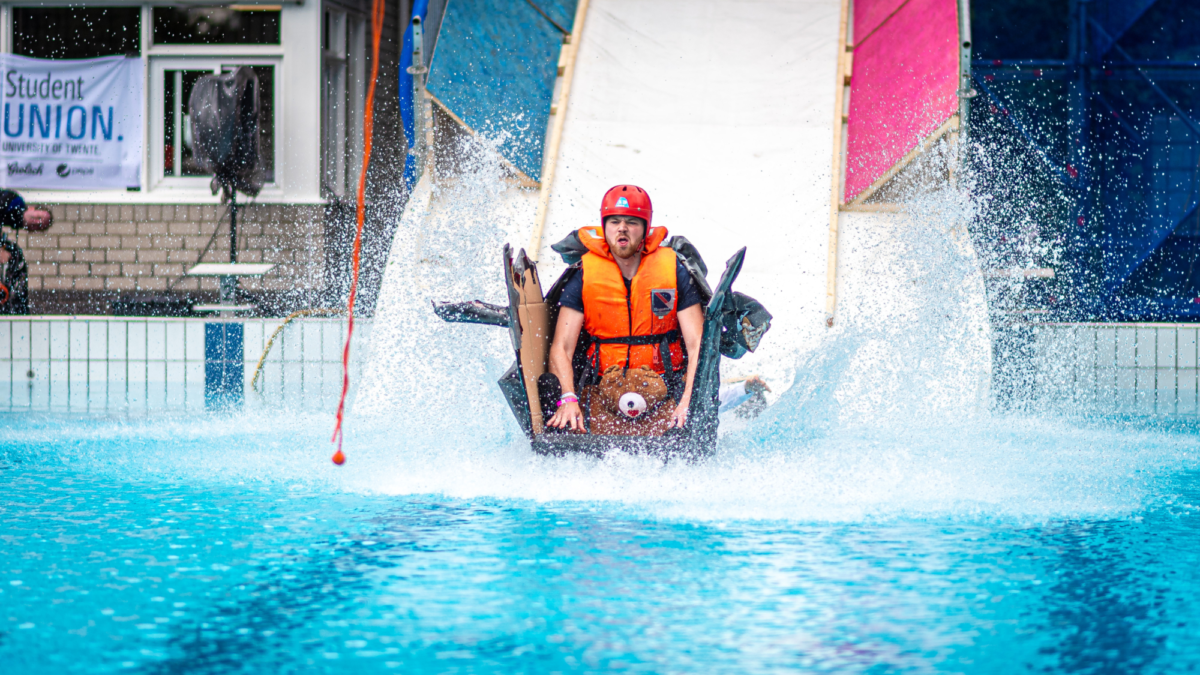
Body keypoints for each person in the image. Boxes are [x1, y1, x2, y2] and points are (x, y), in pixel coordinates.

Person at [546, 185, 705, 432]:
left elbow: (697, 345)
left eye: (632, 222)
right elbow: (562, 347)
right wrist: (568, 398)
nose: (622, 228)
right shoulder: (583, 274)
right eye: (614, 221)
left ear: (644, 229)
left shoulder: (674, 270)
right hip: (603, 390)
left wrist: (687, 400)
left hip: (665, 389)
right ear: (604, 227)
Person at [0, 190, 53, 316]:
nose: (35, 222)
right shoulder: (15, 202)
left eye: (39, 226)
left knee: (13, 254)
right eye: (38, 217)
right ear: (31, 208)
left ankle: (21, 315)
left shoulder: (12, 220)